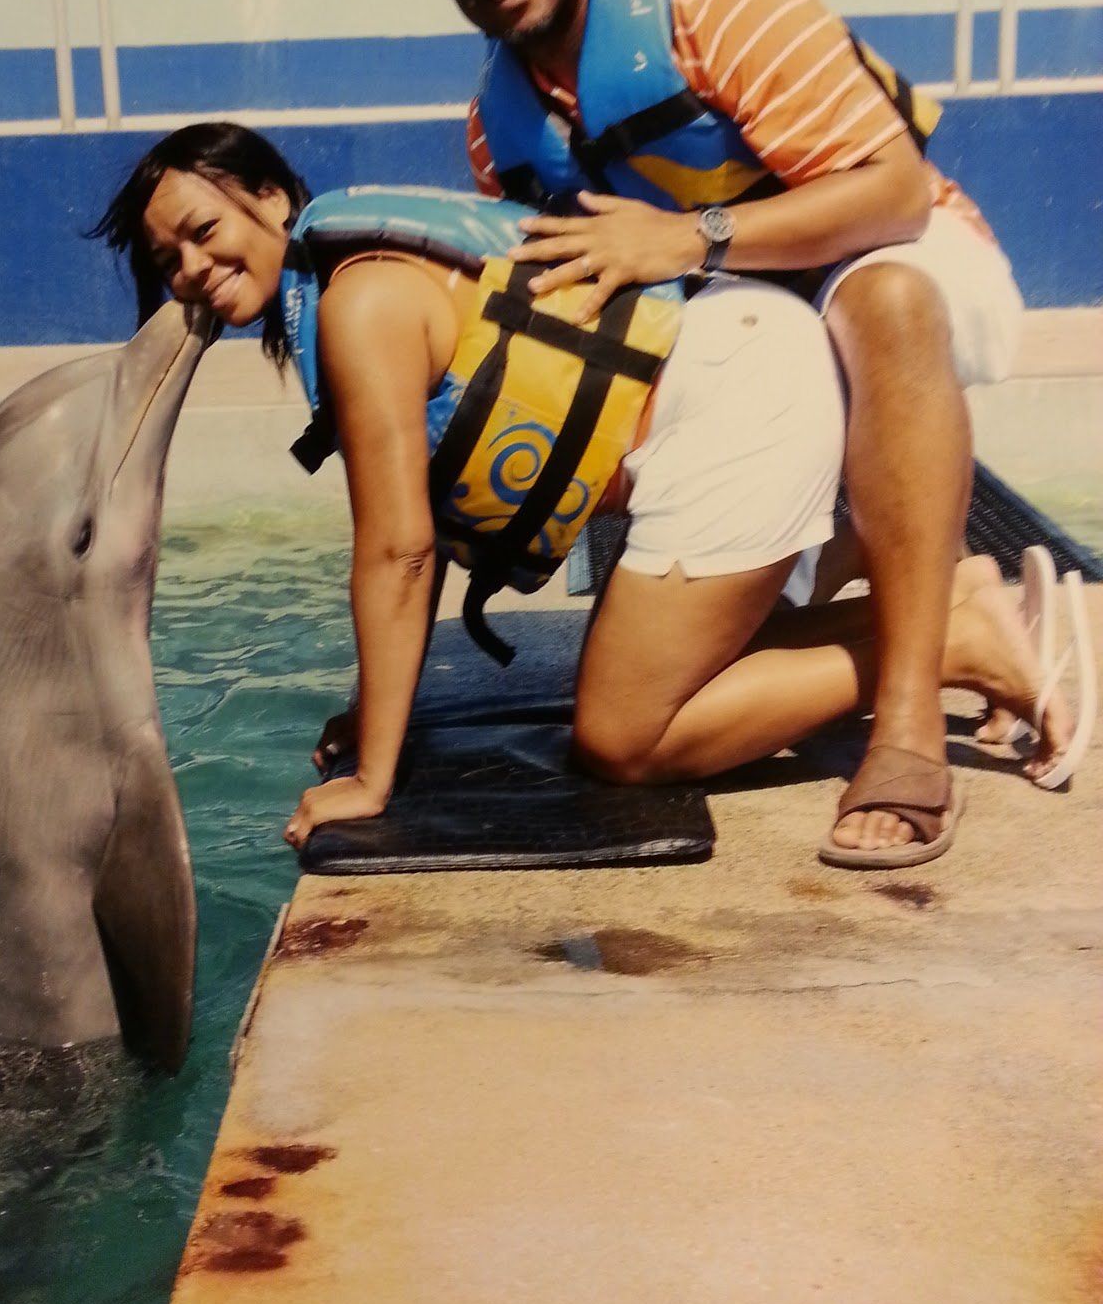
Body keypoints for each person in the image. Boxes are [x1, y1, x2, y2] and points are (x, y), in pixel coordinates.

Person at [91, 122, 1076, 868]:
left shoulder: (358, 300)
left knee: (626, 737)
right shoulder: (352, 274)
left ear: (269, 197)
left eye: (203, 231)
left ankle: (952, 642)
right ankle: (943, 608)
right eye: (167, 261)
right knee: (666, 677)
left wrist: (374, 780)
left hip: (735, 406)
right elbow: (415, 534)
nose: (193, 269)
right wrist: (371, 709)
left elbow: (399, 553)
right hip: (736, 373)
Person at [412, 0, 1028, 863]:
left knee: (883, 302)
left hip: (897, 254)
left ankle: (911, 720)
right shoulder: (497, 130)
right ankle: (946, 604)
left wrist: (689, 236)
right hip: (755, 329)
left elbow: (893, 191)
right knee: (675, 650)